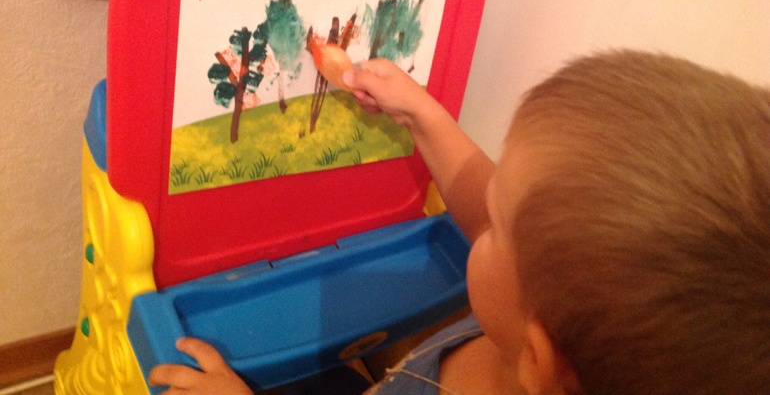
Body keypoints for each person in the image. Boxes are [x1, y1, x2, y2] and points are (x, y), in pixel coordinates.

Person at [150, 50, 770, 395]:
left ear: (540, 357)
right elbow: (492, 213)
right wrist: (423, 116)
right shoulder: (544, 322)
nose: (482, 212)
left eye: (496, 223)